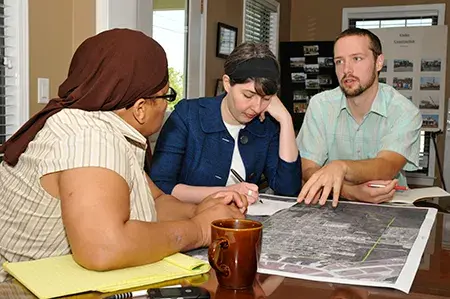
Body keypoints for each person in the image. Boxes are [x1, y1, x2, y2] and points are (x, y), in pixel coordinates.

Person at [0, 29, 247, 282]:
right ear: (140, 108)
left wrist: (202, 210)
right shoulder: (90, 138)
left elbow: (156, 202)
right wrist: (200, 230)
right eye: (166, 96)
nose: (166, 105)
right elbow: (103, 249)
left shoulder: (108, 126)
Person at [149, 42, 301, 204]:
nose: (256, 108)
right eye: (248, 96)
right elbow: (160, 186)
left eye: (266, 99)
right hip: (188, 218)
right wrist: (226, 192)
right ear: (228, 83)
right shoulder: (188, 115)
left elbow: (288, 189)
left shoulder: (266, 124)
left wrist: (285, 120)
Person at [296, 28, 421, 207]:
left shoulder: (404, 111)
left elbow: (387, 166)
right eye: (339, 61)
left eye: (357, 59)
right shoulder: (320, 105)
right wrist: (352, 193)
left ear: (379, 62)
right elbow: (307, 169)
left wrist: (341, 167)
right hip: (332, 206)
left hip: (389, 207)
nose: (346, 70)